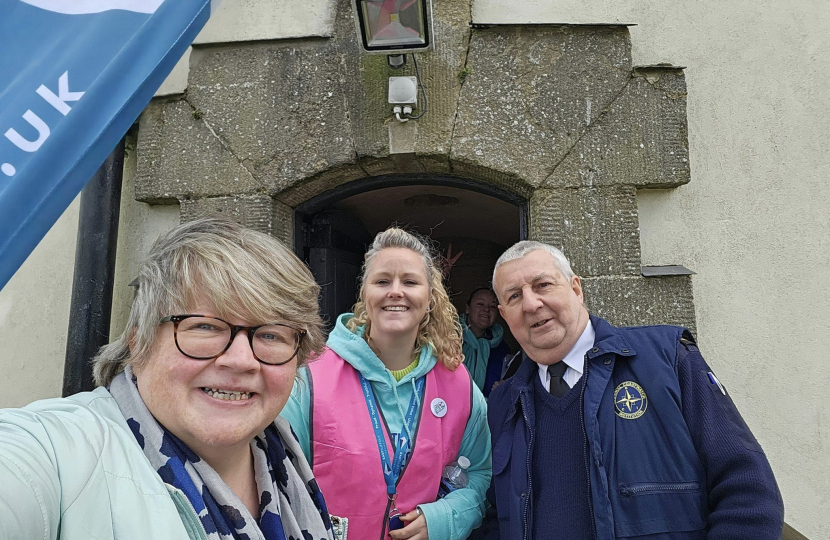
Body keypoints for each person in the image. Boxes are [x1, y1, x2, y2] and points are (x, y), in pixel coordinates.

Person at [0, 217, 335, 540]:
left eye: (271, 335)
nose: (242, 360)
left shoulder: (283, 451)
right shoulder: (60, 455)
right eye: (204, 326)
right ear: (138, 341)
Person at [487, 241, 784, 540]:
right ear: (504, 313)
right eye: (515, 296)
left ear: (576, 289)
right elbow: (496, 518)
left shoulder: (667, 359)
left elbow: (748, 493)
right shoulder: (503, 403)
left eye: (543, 285)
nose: (531, 303)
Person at [281, 228, 491, 540]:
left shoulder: (459, 384)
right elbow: (277, 479)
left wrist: (445, 518)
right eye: (382, 281)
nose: (395, 291)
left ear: (430, 298)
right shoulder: (308, 378)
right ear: (365, 294)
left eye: (409, 281)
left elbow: (479, 473)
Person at [461, 287, 511, 397]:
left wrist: (504, 386)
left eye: (492, 306)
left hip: (489, 410)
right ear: (468, 308)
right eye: (480, 304)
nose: (486, 309)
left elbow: (509, 378)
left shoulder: (502, 347)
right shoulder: (449, 338)